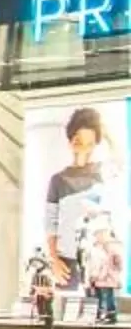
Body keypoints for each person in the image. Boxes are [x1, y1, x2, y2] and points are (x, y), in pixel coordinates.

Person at [45, 105, 114, 293]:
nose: (83, 148)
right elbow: (50, 224)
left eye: (89, 143)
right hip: (67, 261)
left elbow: (122, 160)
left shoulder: (103, 174)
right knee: (68, 314)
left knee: (100, 314)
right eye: (78, 141)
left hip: (98, 261)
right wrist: (54, 260)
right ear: (70, 142)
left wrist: (103, 131)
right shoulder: (58, 180)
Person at [79, 211, 123, 325]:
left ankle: (111, 314)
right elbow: (92, 262)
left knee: (108, 296)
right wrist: (91, 277)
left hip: (107, 278)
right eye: (96, 234)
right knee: (97, 296)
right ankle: (97, 314)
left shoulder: (113, 246)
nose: (97, 236)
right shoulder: (94, 247)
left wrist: (102, 274)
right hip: (97, 277)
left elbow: (111, 264)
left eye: (99, 233)